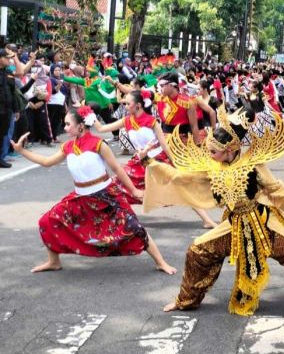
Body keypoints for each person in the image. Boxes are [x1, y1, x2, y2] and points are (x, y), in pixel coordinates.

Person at [144, 106, 284, 319]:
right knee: (197, 252)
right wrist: (148, 161)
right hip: (234, 226)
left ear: (230, 148)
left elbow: (275, 188)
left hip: (266, 224)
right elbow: (180, 177)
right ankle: (186, 300)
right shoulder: (213, 167)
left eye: (214, 151)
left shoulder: (253, 164)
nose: (210, 155)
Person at [10, 106, 176, 274]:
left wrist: (133, 191)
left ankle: (161, 262)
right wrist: (22, 151)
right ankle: (54, 261)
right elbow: (46, 162)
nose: (65, 128)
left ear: (80, 126)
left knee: (135, 227)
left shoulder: (98, 144)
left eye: (68, 124)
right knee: (47, 221)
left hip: (106, 195)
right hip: (80, 197)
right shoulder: (67, 147)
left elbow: (117, 169)